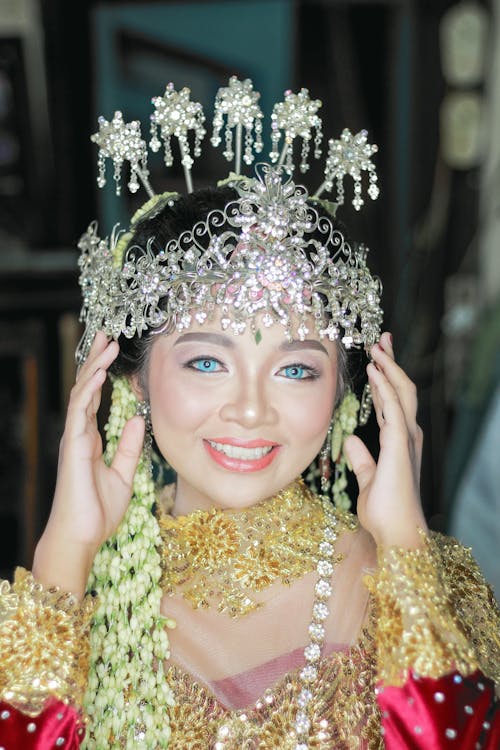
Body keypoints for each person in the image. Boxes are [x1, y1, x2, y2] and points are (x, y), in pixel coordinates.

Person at [0, 79, 498, 750]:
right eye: (207, 362)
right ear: (132, 378)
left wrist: (405, 546)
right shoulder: (71, 601)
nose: (251, 408)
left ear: (353, 391)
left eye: (296, 369)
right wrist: (64, 555)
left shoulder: (420, 589)